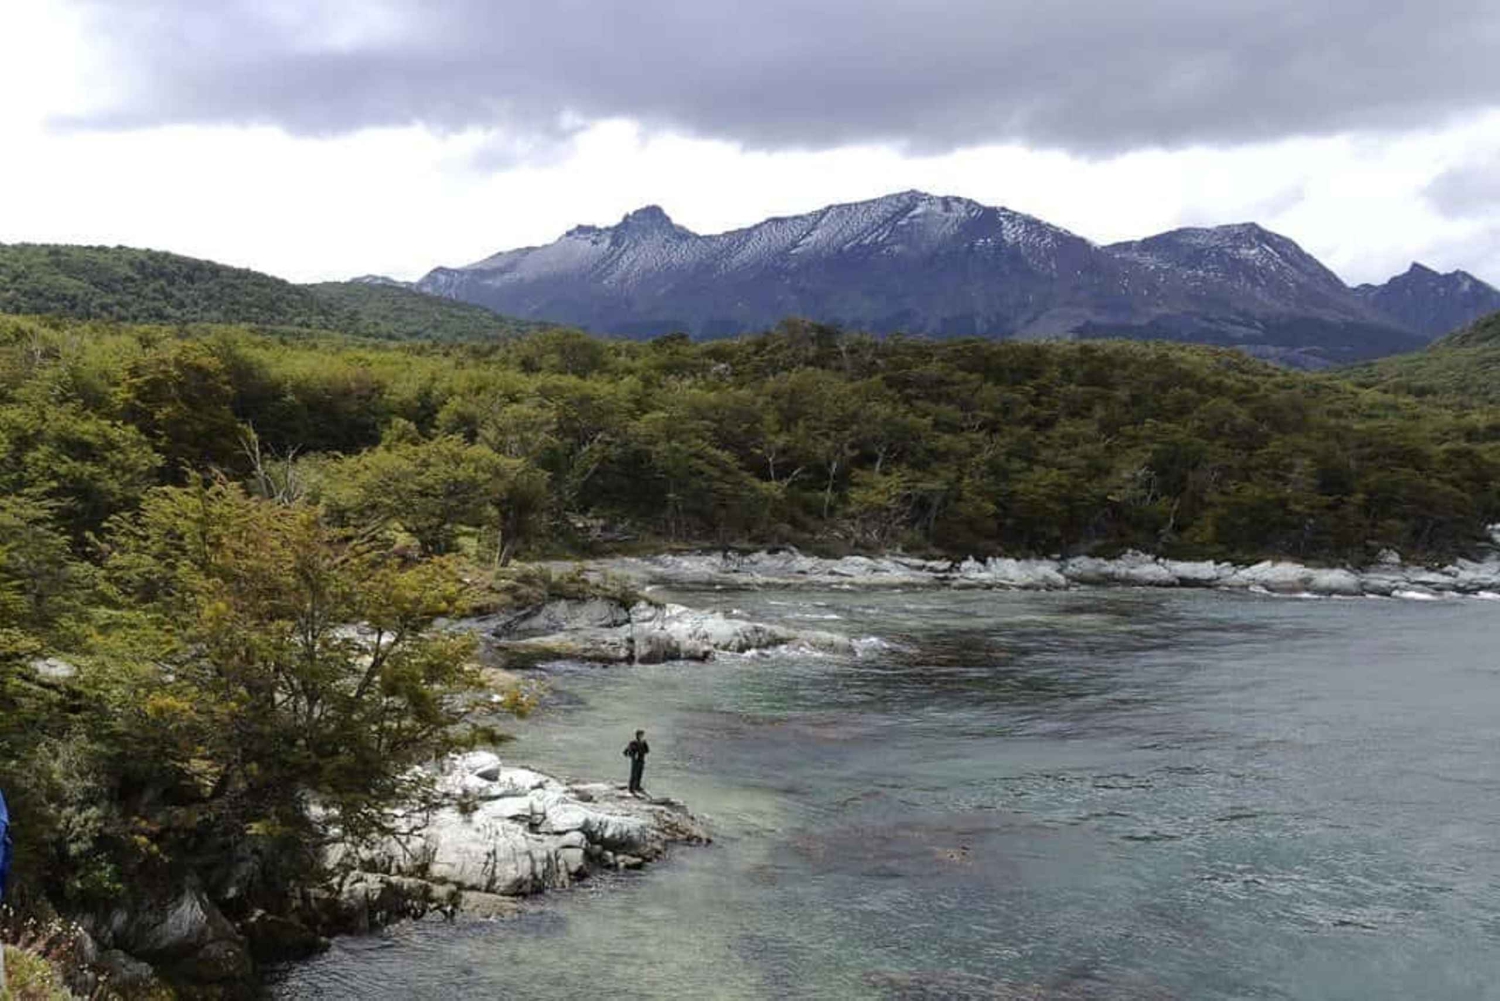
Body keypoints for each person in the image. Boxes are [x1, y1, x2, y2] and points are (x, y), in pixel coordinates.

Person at [623, 729, 650, 796]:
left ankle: (637, 786)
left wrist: (644, 746)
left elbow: (647, 751)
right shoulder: (633, 743)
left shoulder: (643, 742)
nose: (642, 736)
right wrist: (633, 755)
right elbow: (627, 751)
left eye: (642, 735)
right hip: (635, 761)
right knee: (634, 774)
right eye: (641, 735)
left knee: (639, 774)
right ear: (637, 735)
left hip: (641, 760)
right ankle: (631, 788)